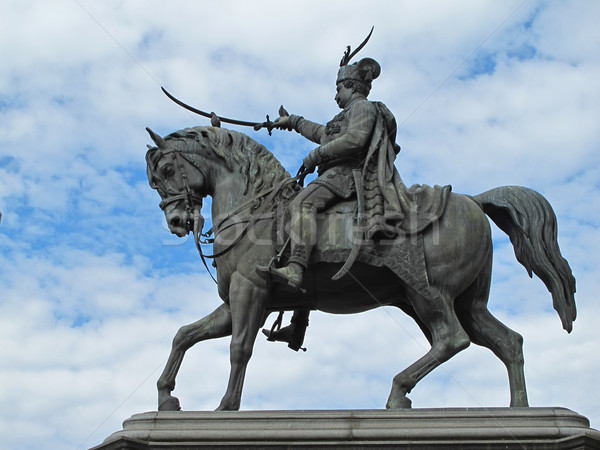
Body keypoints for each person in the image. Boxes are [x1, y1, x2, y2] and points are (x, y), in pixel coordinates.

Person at [258, 56, 405, 350]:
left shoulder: (362, 107)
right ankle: (298, 325)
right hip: (335, 174)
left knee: (301, 206)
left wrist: (318, 156)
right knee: (306, 232)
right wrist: (293, 122)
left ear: (351, 86)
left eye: (338, 88)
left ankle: (296, 269)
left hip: (347, 176)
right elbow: (320, 133)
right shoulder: (345, 113)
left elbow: (355, 141)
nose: (335, 94)